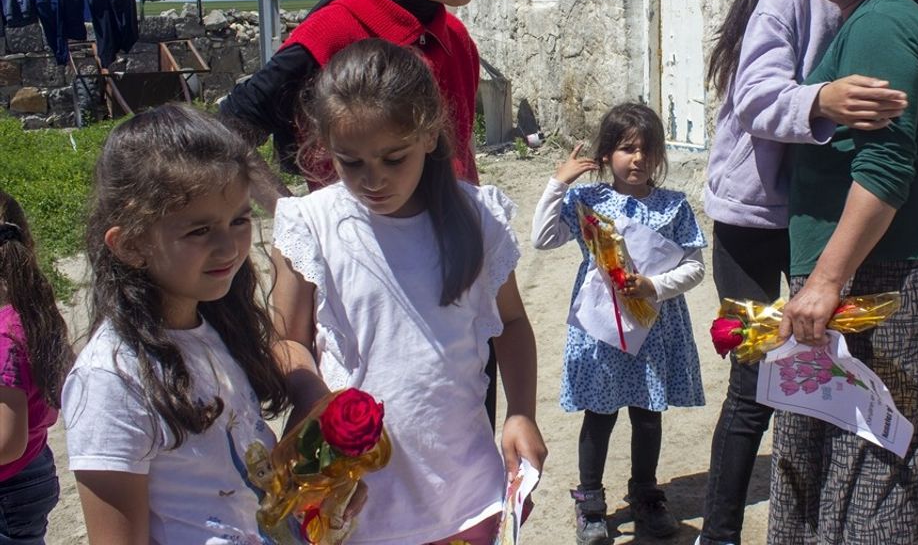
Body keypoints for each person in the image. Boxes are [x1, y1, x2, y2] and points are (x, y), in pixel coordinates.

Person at [698, 0, 918, 545]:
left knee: (852, 424)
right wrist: (823, 99)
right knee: (770, 393)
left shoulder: (886, 13)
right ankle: (721, 532)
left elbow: (907, 115)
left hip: (851, 236)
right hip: (764, 211)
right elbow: (754, 96)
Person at [270, 39, 546, 545]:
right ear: (326, 146)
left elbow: (510, 323)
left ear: (428, 134)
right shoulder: (312, 225)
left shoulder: (477, 219)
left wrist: (521, 412)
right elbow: (286, 339)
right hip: (353, 502)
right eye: (350, 162)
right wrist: (317, 402)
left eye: (393, 158)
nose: (372, 179)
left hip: (463, 492)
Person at [60, 105, 316, 544]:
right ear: (131, 244)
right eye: (199, 230)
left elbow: (285, 353)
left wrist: (314, 397)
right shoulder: (111, 380)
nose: (229, 248)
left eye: (239, 220)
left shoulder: (214, 323)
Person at [219, 0, 487, 212]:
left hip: (452, 232)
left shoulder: (455, 39)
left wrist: (477, 223)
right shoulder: (332, 33)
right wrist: (295, 220)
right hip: (358, 241)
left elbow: (463, 150)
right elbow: (230, 127)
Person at [531, 102, 706, 545]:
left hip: (654, 329)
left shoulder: (673, 206)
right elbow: (542, 238)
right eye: (627, 148)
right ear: (607, 153)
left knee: (648, 415)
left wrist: (654, 286)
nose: (638, 159)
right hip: (603, 330)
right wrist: (558, 183)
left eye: (648, 149)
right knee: (600, 414)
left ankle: (646, 495)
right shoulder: (588, 201)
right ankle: (590, 501)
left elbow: (695, 267)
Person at [0, 190, 72, 545]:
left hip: (9, 484)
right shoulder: (30, 313)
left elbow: (6, 443)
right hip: (34, 464)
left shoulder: (4, 334)